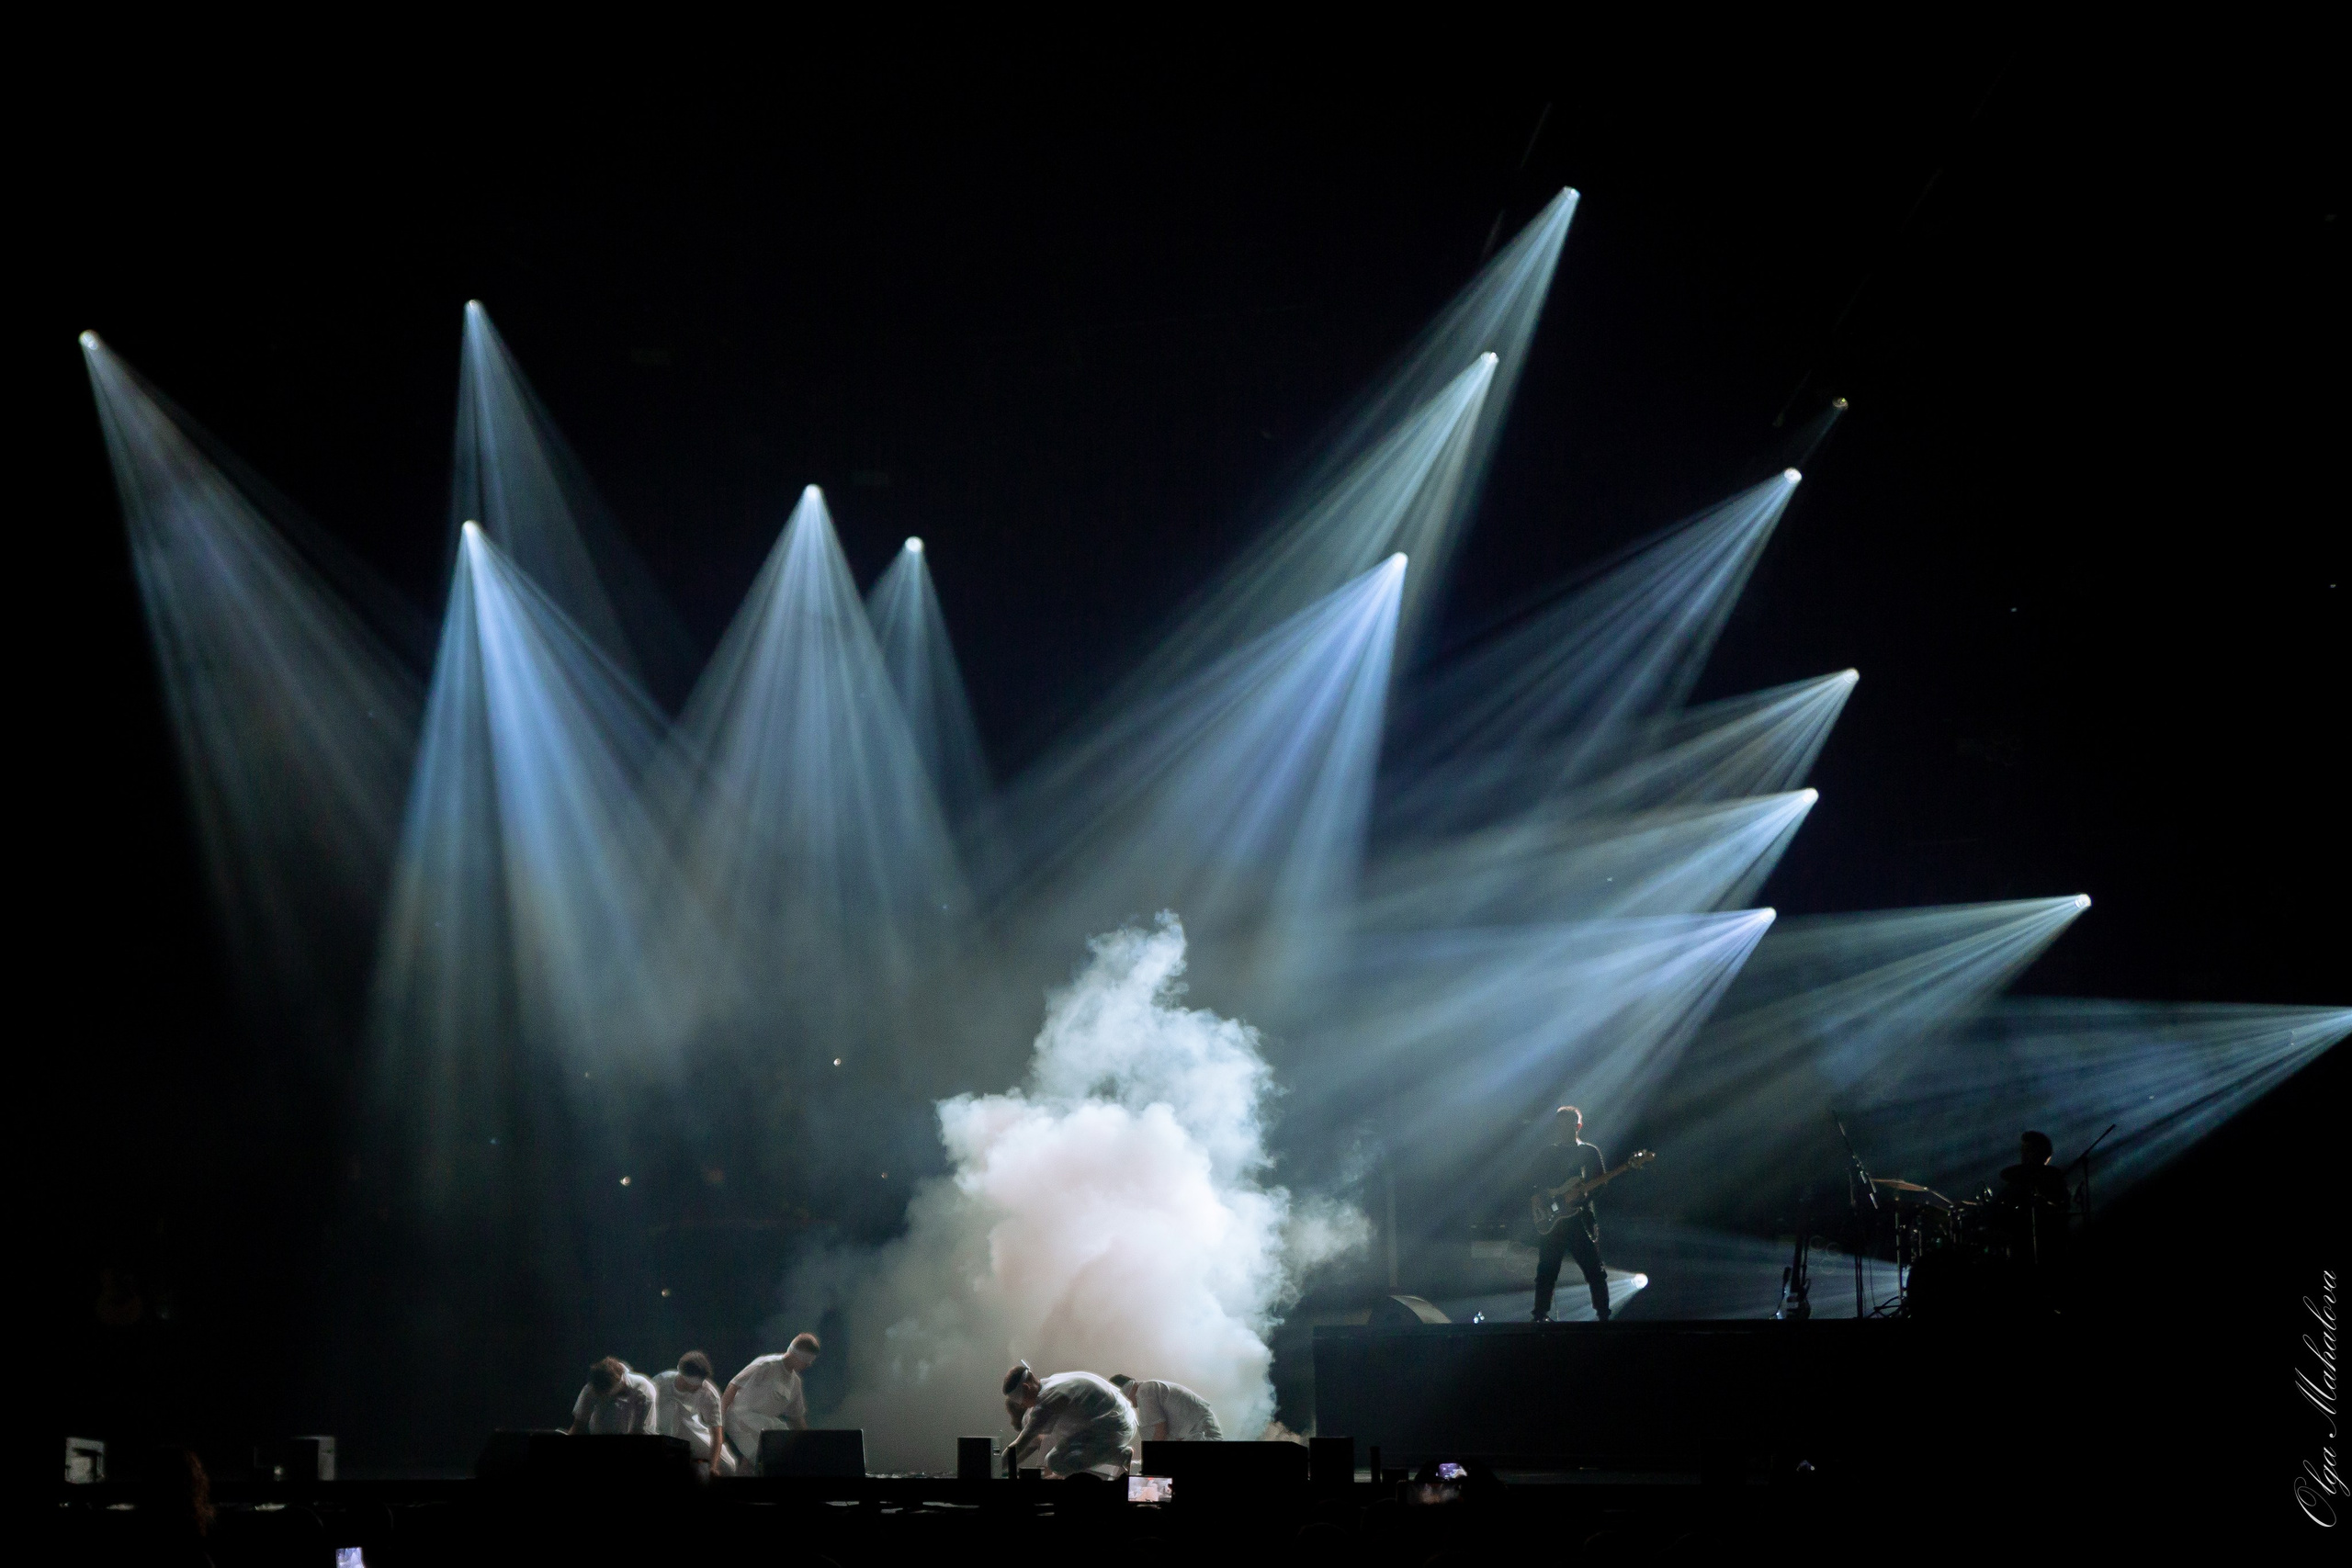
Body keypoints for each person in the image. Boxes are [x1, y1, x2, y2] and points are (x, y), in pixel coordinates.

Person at [1529, 1106, 1611, 1323]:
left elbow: (1601, 1183)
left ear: (1578, 1126)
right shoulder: (1548, 1153)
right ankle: (1539, 1316)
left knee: (1594, 1269)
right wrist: (1540, 1198)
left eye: (1568, 1125)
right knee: (1547, 1270)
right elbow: (1533, 1183)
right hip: (1553, 1219)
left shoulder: (1589, 1152)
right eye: (1560, 1125)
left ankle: (1604, 1316)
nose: (1563, 1129)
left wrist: (1582, 1198)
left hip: (1580, 1218)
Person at [1003, 1361, 1136, 1480]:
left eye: (1021, 1402)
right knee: (1058, 1458)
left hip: (1116, 1424)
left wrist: (992, 1467)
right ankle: (1120, 1456)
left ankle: (1120, 1456)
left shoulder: (1048, 1400)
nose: (1022, 1406)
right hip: (1114, 1417)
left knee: (1055, 1461)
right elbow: (1028, 1445)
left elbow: (1020, 1444)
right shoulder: (1051, 1382)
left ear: (1027, 1388)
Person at [716, 1332, 819, 1473]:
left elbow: (796, 1418)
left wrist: (810, 1443)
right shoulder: (766, 1365)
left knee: (788, 1448)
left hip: (766, 1425)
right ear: (796, 1355)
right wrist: (718, 1423)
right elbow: (733, 1386)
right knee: (766, 1457)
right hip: (739, 1418)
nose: (808, 1365)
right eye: (806, 1360)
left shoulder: (795, 1383)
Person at [1996, 1130, 2074, 1269]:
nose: (2024, 1155)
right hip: (2021, 1244)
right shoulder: (2017, 1180)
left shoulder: (2054, 1178)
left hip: (2050, 1244)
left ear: (2043, 1153)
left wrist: (2044, 1204)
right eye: (2023, 1150)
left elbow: (2064, 1207)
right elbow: (1997, 1204)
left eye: (2029, 1150)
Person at [651, 1350, 726, 1472]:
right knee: (671, 1408)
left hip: (690, 1429)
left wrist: (713, 1467)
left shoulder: (709, 1393)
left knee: (729, 1466)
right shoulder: (660, 1383)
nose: (699, 1387)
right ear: (682, 1376)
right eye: (694, 1384)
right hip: (661, 1431)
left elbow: (717, 1434)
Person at [1109, 1374, 1223, 1443]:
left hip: (1202, 1432)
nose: (1131, 1405)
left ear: (1125, 1392)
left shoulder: (1144, 1392)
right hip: (1200, 1429)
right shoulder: (1149, 1388)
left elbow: (1160, 1430)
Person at [568, 1356, 656, 1435]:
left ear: (619, 1382)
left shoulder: (643, 1389)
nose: (601, 1395)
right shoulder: (591, 1387)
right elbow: (579, 1424)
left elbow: (641, 1431)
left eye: (605, 1393)